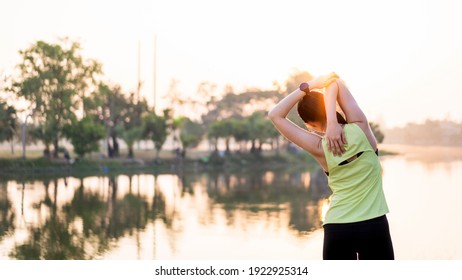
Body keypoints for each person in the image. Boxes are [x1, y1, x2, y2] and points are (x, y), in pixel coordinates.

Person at [268, 73, 394, 260]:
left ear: (309, 125)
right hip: (373, 226)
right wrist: (333, 122)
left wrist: (308, 86)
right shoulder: (361, 129)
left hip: (338, 228)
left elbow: (275, 115)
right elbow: (334, 82)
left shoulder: (320, 148)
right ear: (330, 109)